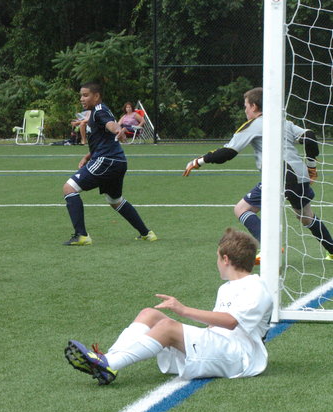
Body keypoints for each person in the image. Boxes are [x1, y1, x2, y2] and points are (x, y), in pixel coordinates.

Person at [65, 228, 273, 385]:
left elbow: (230, 322)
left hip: (239, 357)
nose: (217, 262)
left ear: (225, 259)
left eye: (218, 258)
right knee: (149, 314)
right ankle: (107, 361)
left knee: (167, 327)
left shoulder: (256, 287)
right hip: (219, 347)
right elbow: (217, 324)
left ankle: (109, 363)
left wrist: (183, 310)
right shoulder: (226, 288)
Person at [183, 87, 333, 262]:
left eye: (245, 106)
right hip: (299, 175)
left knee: (242, 209)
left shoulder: (254, 125)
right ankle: (332, 250)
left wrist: (199, 161)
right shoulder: (283, 122)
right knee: (306, 216)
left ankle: (270, 247)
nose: (245, 110)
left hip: (280, 175)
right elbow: (310, 137)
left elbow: (228, 153)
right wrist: (311, 166)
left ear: (254, 106)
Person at [62, 82, 157, 245]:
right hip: (117, 161)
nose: (82, 99)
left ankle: (81, 235)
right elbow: (103, 139)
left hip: (107, 161)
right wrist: (88, 156)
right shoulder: (96, 112)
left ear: (96, 96)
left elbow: (111, 125)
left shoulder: (99, 111)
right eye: (81, 95)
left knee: (69, 188)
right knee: (115, 200)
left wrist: (118, 130)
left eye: (85, 95)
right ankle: (147, 233)